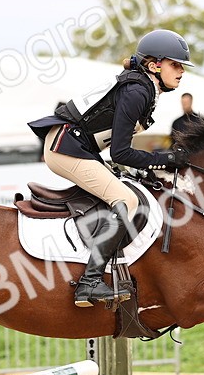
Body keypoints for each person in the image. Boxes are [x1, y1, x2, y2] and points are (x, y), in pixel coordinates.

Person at [27, 29, 192, 307]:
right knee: (126, 200)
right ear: (155, 65)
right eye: (175, 65)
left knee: (129, 189)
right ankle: (89, 282)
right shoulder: (138, 91)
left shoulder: (143, 87)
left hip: (78, 147)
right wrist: (165, 159)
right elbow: (121, 152)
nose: (181, 71)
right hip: (65, 148)